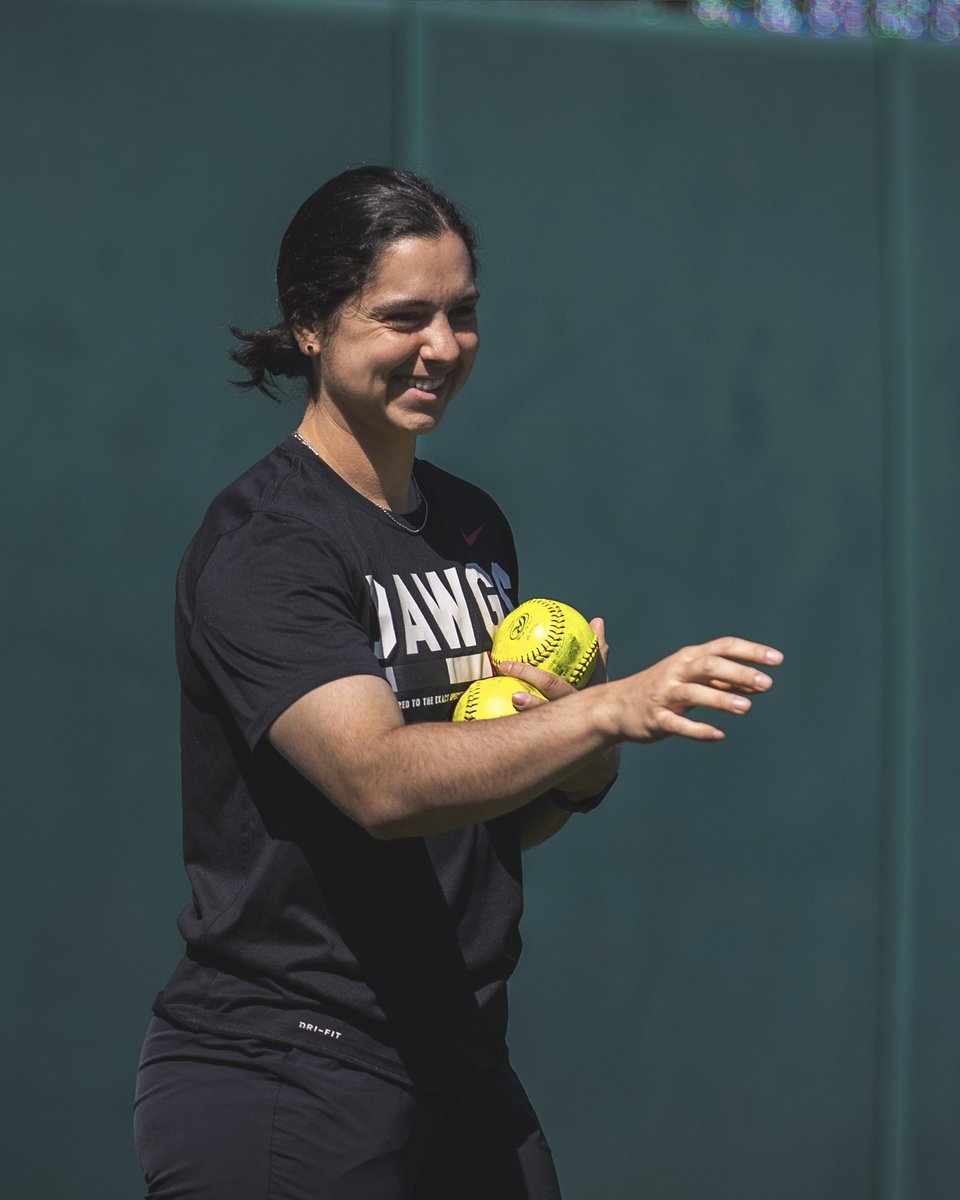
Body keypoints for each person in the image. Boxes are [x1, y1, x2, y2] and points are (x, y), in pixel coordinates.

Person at [133, 165, 782, 1200]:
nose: (442, 346)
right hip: (286, 1066)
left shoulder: (473, 527)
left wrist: (579, 756)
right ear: (309, 324)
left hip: (461, 1062)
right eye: (404, 317)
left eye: (462, 314)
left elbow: (485, 826)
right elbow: (381, 785)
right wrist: (614, 705)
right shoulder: (267, 547)